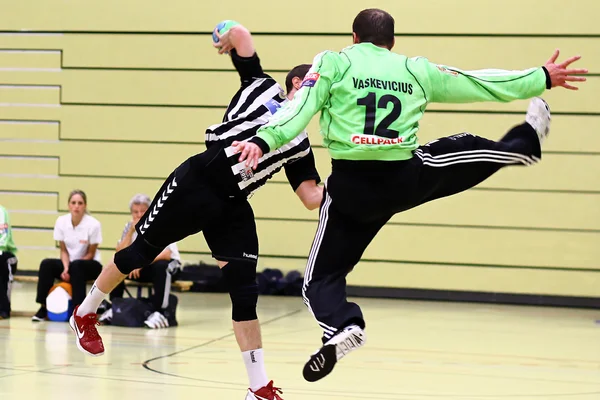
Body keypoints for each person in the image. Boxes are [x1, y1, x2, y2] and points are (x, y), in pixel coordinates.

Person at [234, 8, 589, 382]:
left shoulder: (333, 62)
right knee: (464, 147)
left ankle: (341, 325)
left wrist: (263, 139)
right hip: (401, 179)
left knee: (318, 281)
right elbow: (475, 83)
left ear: (353, 38)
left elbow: (300, 107)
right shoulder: (413, 69)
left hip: (350, 188)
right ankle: (523, 145)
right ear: (392, 43)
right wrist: (540, 77)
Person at [68, 23, 322, 400]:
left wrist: (355, 181)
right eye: (316, 86)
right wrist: (228, 33)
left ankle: (259, 387)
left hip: (233, 205)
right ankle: (85, 313)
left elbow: (310, 197)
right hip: (198, 180)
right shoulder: (263, 87)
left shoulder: (300, 144)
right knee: (140, 253)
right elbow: (243, 40)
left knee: (245, 291)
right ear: (297, 83)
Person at [98, 194, 182, 329]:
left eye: (143, 211)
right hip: (142, 266)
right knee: (119, 264)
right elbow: (120, 251)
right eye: (135, 212)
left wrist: (141, 263)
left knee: (161, 267)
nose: (139, 215)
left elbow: (166, 254)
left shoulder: (159, 224)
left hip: (169, 265)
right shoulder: (129, 227)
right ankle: (115, 307)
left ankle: (161, 312)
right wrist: (131, 231)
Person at [32, 190, 103, 321]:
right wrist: (65, 268)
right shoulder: (61, 222)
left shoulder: (93, 224)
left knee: (77, 267)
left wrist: (71, 268)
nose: (76, 206)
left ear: (85, 206)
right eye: (73, 203)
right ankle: (43, 307)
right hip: (69, 263)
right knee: (46, 264)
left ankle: (78, 310)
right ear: (69, 205)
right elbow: (63, 250)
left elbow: (91, 253)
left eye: (80, 203)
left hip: (89, 264)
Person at [0, 205, 18, 319]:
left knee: (1, 263)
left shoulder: (1, 212)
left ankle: (3, 308)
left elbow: (3, 240)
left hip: (5, 253)